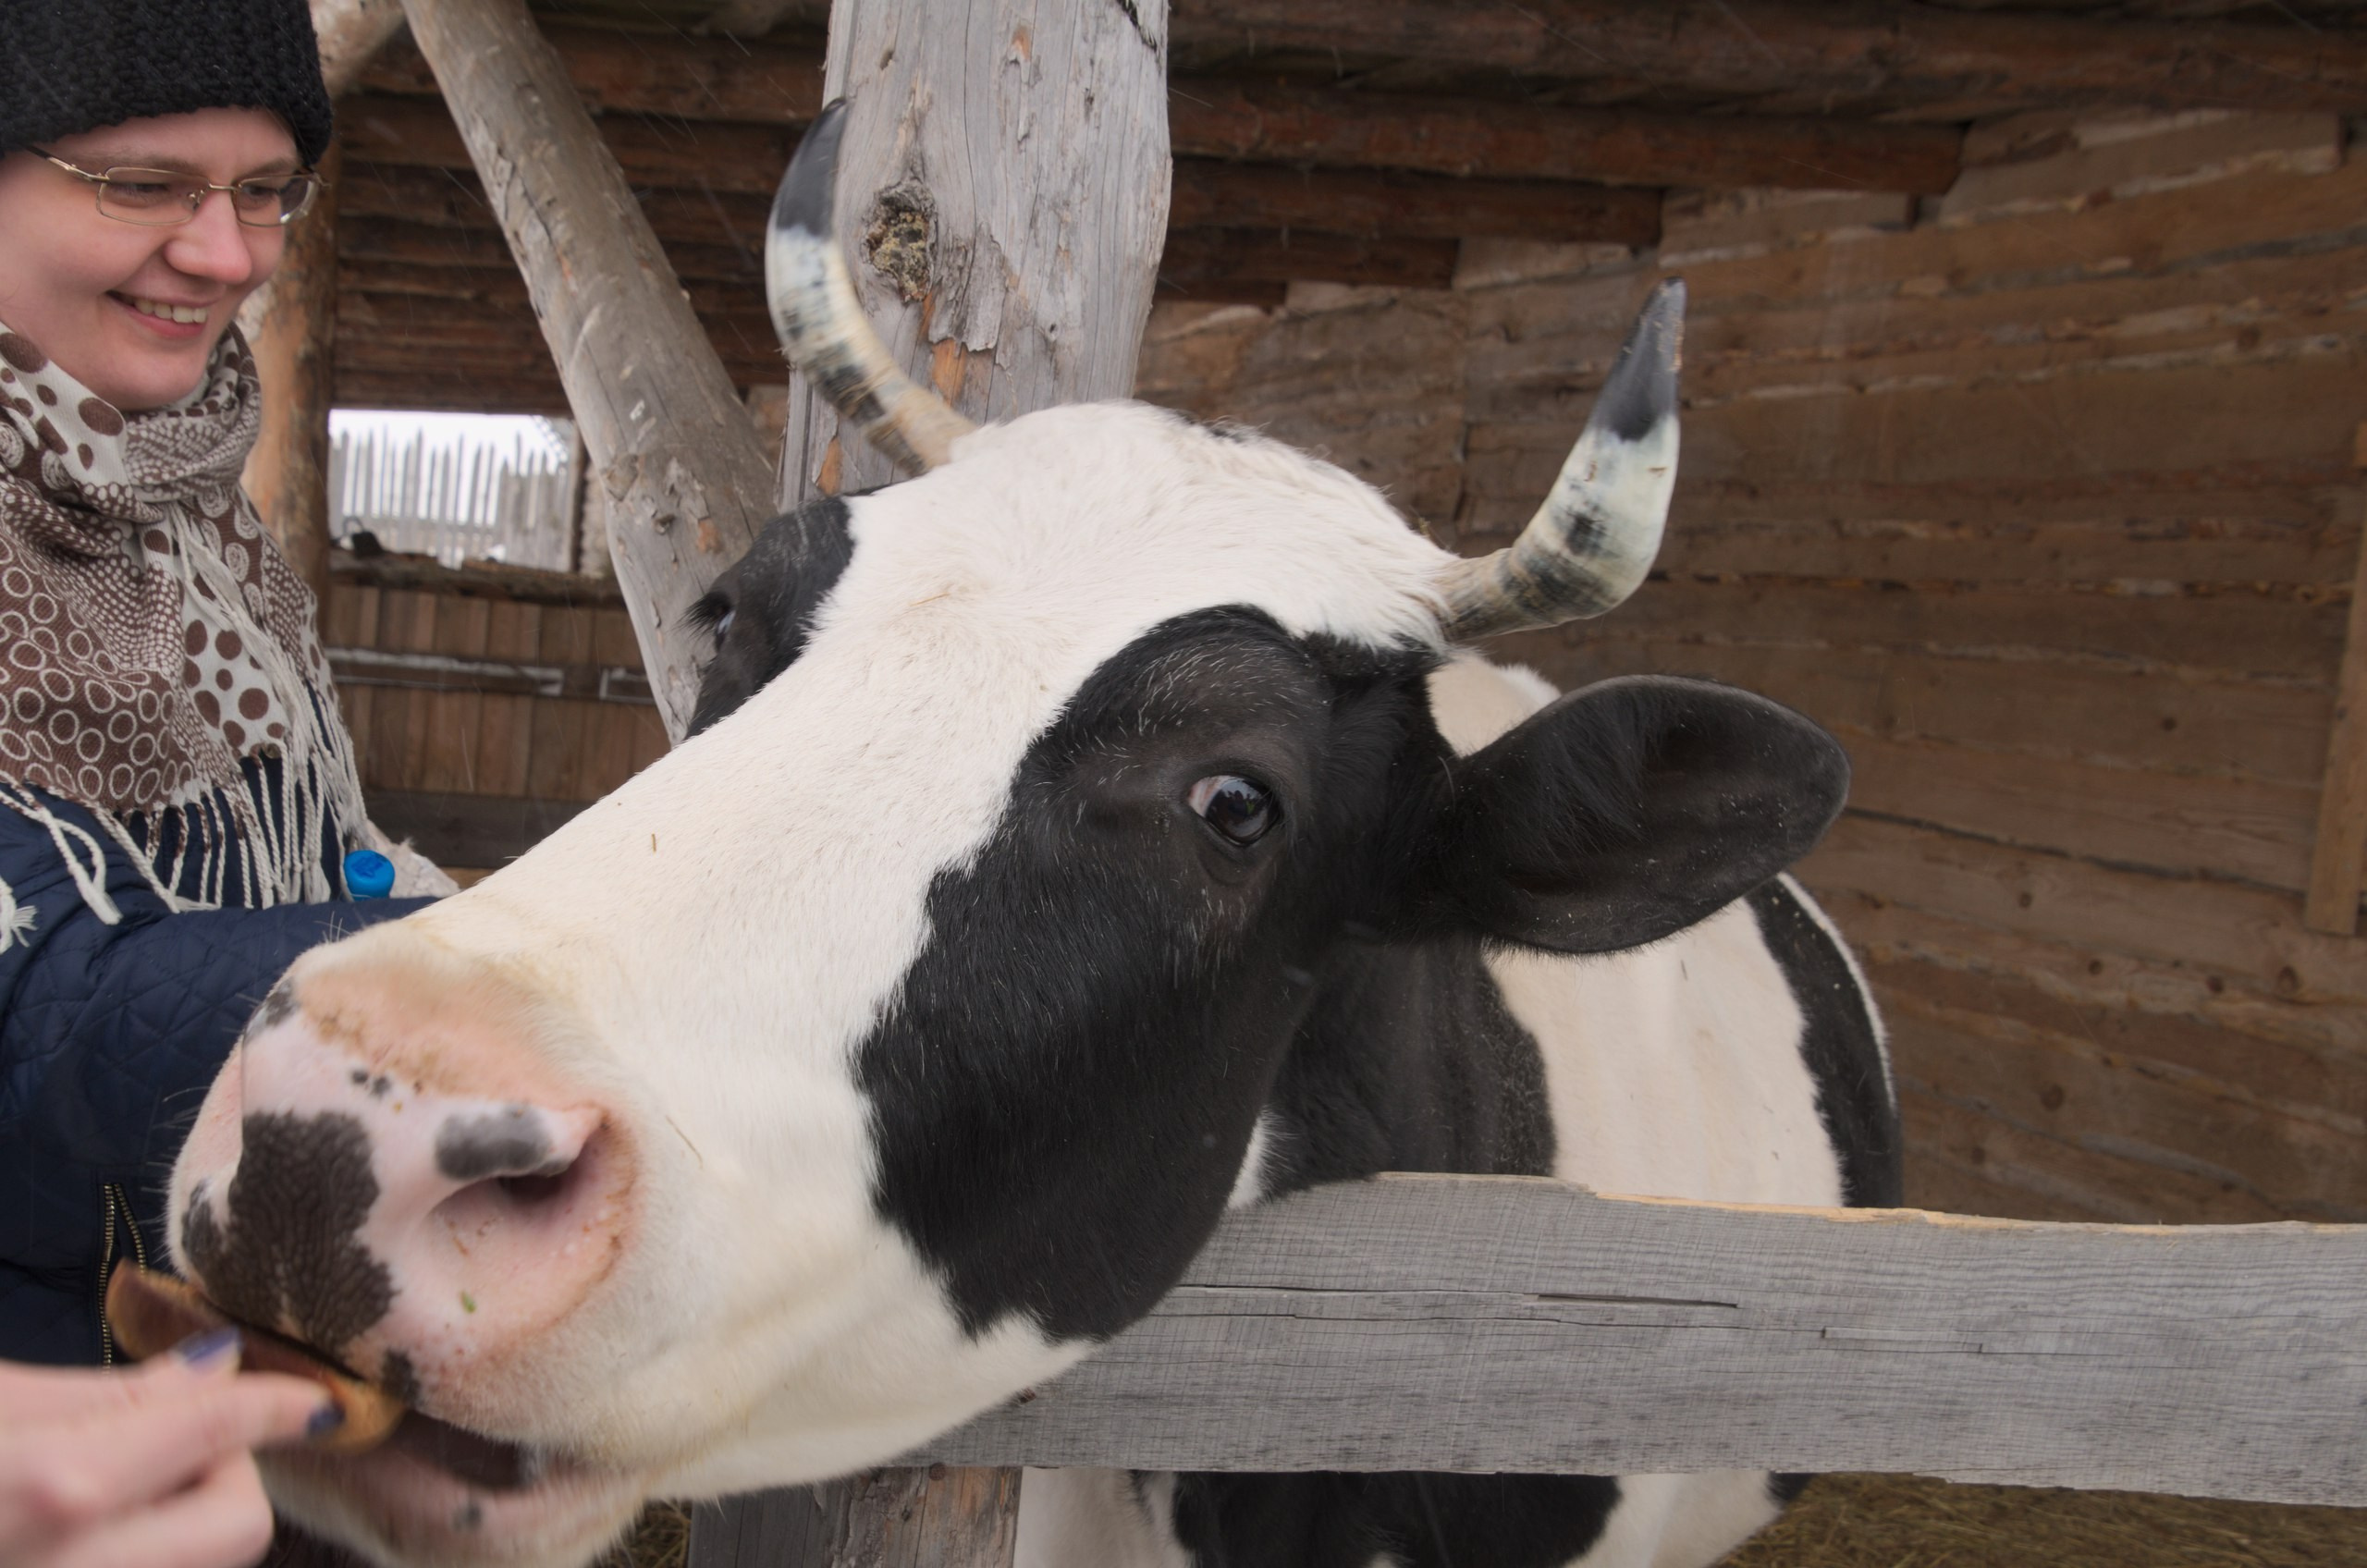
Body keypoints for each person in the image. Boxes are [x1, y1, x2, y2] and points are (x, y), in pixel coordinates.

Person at [0, 3, 451, 1563]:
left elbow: (320, 849)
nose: (230, 253)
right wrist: (450, 983)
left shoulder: (198, 517)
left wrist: (421, 906)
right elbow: (27, 1014)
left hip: (240, 1390)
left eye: (267, 188)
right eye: (142, 183)